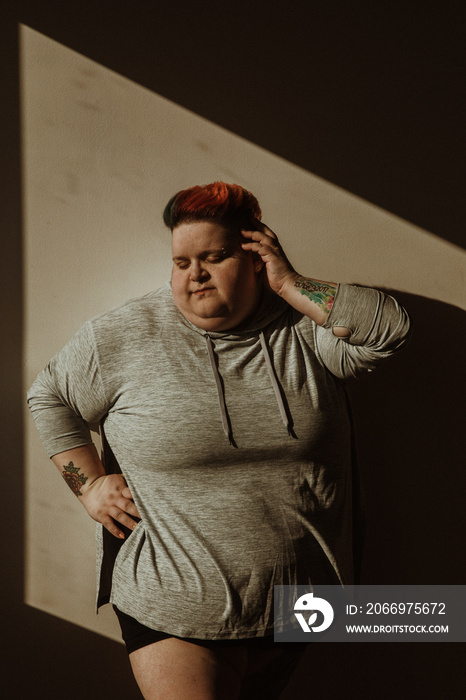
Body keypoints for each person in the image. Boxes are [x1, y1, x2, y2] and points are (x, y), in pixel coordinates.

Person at [27, 182, 411, 699]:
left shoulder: (306, 332)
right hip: (172, 602)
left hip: (301, 609)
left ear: (256, 256)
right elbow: (49, 396)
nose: (196, 275)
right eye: (182, 262)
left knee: (424, 622)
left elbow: (388, 329)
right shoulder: (122, 336)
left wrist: (292, 283)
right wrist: (88, 484)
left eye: (216, 256)